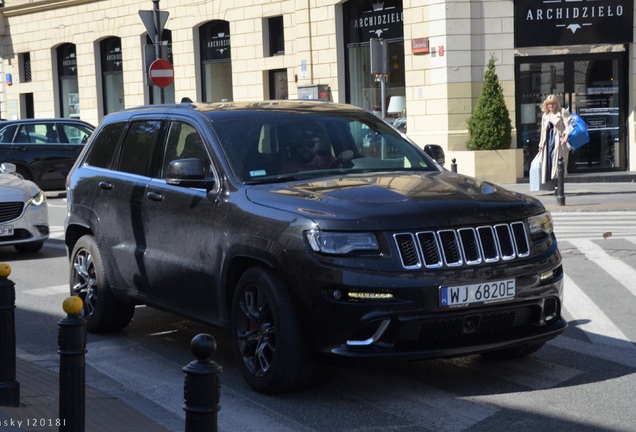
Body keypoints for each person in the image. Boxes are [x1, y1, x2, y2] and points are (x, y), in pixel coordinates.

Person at [280, 121, 353, 174]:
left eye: (310, 144)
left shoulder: (330, 161)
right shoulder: (289, 170)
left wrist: (348, 155)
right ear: (296, 147)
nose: (305, 148)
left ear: (318, 146)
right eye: (300, 145)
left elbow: (343, 177)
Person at [538, 94, 571, 191]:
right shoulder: (545, 115)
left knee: (557, 163)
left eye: (553, 104)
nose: (551, 106)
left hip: (558, 141)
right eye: (549, 104)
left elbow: (568, 126)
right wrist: (541, 144)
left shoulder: (562, 112)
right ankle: (553, 185)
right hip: (548, 141)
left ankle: (558, 186)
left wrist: (565, 137)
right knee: (549, 162)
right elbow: (543, 131)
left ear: (556, 104)